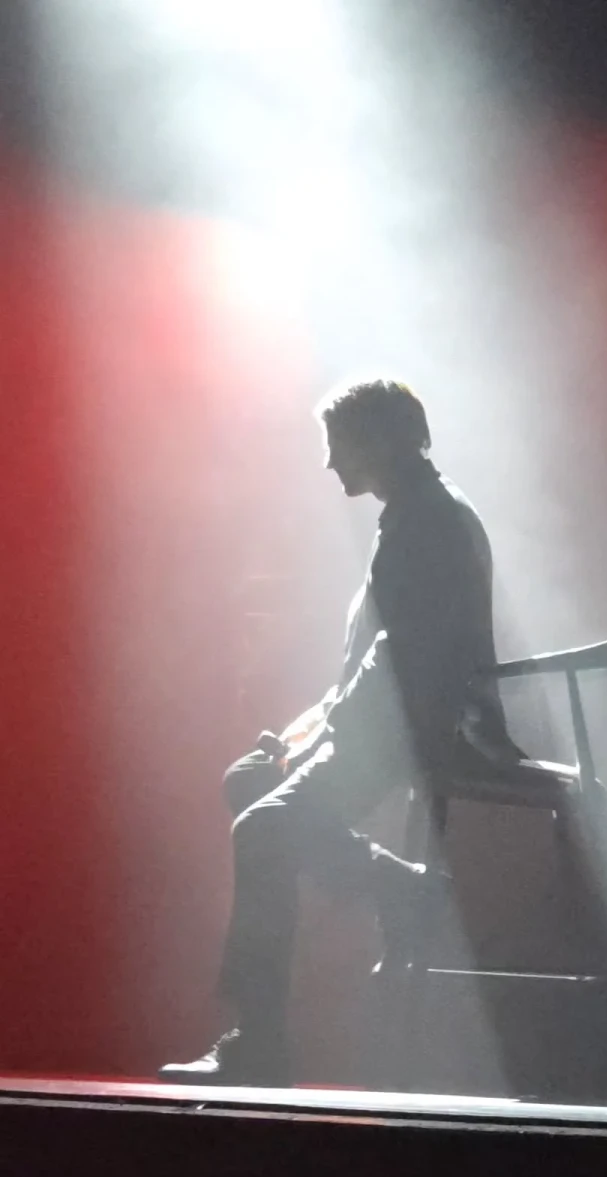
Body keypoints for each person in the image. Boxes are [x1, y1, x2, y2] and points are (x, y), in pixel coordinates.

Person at [160, 377, 520, 1086]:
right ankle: (399, 889)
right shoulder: (415, 514)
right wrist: (309, 733)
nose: (329, 463)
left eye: (339, 445)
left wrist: (327, 732)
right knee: (250, 781)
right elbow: (377, 662)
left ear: (381, 440)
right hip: (395, 717)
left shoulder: (428, 522)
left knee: (263, 827)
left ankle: (258, 1042)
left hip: (419, 727)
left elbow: (404, 664)